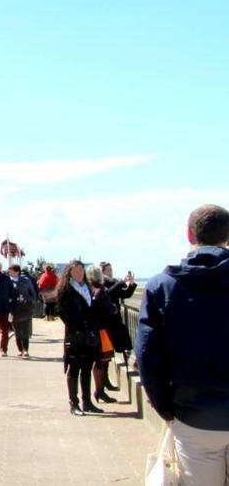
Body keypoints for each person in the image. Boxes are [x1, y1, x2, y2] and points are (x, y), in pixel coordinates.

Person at [137, 204, 229, 484]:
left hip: (194, 416)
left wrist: (166, 409)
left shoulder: (161, 286)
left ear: (190, 234)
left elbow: (147, 355)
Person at [57, 260, 103, 416]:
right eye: (75, 271)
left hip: (89, 335)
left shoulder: (87, 288)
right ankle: (73, 403)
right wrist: (77, 327)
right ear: (69, 272)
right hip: (75, 335)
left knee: (87, 369)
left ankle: (87, 402)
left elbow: (92, 310)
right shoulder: (66, 290)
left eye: (81, 271)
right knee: (74, 369)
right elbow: (63, 313)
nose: (79, 273)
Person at [99, 262, 135, 391]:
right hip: (106, 322)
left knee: (113, 350)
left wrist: (131, 284)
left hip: (115, 320)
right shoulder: (101, 283)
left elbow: (125, 294)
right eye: (108, 270)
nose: (110, 272)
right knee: (105, 355)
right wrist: (120, 283)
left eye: (111, 269)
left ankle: (105, 381)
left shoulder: (112, 282)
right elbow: (107, 293)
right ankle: (103, 382)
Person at [86, 264, 118, 404]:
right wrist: (113, 308)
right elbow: (107, 309)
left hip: (94, 329)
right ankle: (99, 391)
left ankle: (100, 391)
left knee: (99, 361)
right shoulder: (100, 290)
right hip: (102, 330)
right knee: (102, 361)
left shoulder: (89, 289)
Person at [8, 263, 37, 358]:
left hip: (26, 309)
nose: (9, 273)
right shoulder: (8, 282)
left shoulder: (26, 281)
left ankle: (26, 350)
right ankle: (20, 349)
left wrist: (31, 302)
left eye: (11, 271)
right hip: (14, 310)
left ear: (17, 271)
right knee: (17, 332)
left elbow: (32, 293)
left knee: (25, 331)